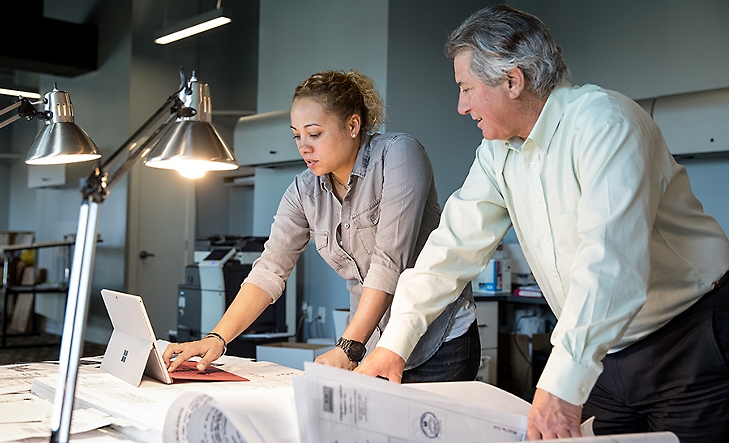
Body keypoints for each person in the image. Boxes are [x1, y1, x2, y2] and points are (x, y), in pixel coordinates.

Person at [355, 4, 729, 442]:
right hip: (604, 351)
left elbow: (611, 265)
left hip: (689, 339)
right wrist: (392, 346)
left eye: (466, 88)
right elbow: (449, 250)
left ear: (513, 81)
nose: (461, 106)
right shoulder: (498, 153)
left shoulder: (606, 124)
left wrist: (562, 384)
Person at [163, 69, 480, 383]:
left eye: (314, 134)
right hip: (371, 345)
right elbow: (268, 271)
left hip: (437, 341)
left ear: (353, 125)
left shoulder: (399, 155)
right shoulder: (304, 191)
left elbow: (388, 264)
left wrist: (348, 346)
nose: (303, 147)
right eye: (297, 135)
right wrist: (217, 338)